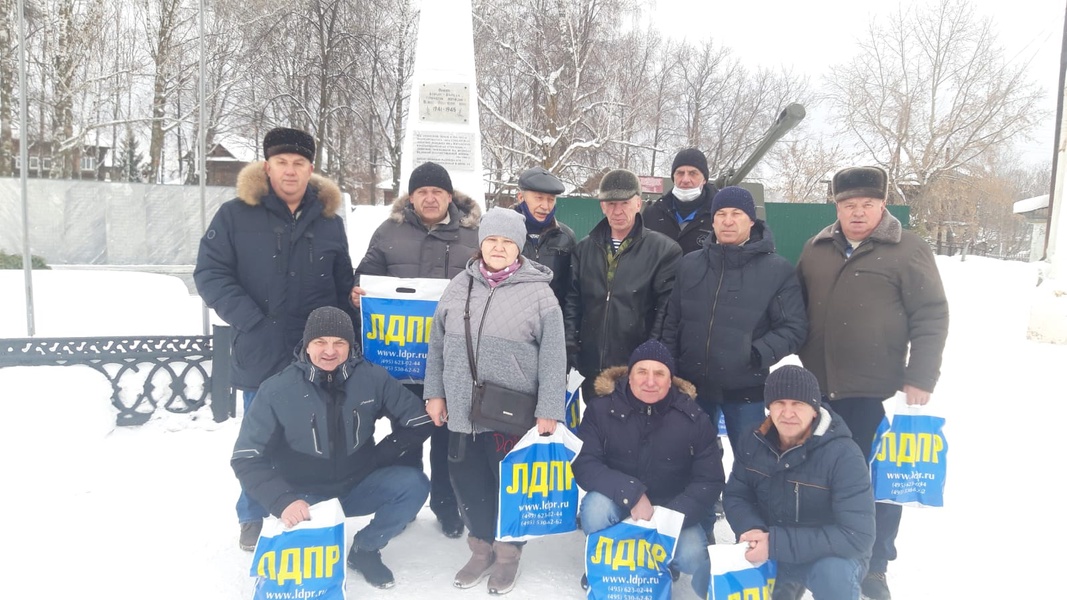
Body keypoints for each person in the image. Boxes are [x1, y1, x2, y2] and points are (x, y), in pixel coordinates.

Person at [193, 127, 357, 550]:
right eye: (282, 162)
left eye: (299, 163)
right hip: (261, 349)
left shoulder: (329, 223)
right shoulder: (235, 216)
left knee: (317, 437)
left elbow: (342, 286)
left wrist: (350, 318)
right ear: (267, 167)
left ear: (311, 169)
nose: (290, 170)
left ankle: (311, 509)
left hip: (316, 356)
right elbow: (210, 274)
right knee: (259, 438)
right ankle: (252, 515)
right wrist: (251, 320)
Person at [796, 166, 949, 600]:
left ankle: (876, 565)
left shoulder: (907, 250)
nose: (857, 212)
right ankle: (819, 553)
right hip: (819, 392)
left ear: (882, 205)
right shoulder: (816, 248)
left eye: (866, 204)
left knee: (878, 482)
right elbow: (797, 307)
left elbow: (931, 315)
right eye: (848, 204)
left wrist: (920, 375)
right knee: (817, 479)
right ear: (837, 206)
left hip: (874, 392)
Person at [231, 306, 433, 590]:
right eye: (320, 342)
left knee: (413, 484)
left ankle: (365, 549)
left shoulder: (372, 378)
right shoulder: (277, 389)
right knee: (302, 578)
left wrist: (379, 457)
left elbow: (419, 420)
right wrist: (282, 501)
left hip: (357, 485)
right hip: (304, 498)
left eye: (339, 343)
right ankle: (302, 540)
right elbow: (246, 457)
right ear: (306, 344)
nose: (330, 351)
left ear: (351, 346)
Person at [423, 207, 567, 595]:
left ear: (519, 247)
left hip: (511, 415)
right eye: (492, 240)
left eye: (507, 242)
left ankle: (507, 556)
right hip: (461, 411)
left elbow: (555, 356)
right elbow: (436, 344)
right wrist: (434, 392)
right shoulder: (459, 286)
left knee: (509, 486)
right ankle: (480, 548)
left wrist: (550, 408)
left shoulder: (539, 293)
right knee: (468, 483)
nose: (498, 248)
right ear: (481, 243)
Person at [352, 161, 481, 539]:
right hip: (401, 356)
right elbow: (366, 274)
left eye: (436, 192)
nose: (429, 198)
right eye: (421, 191)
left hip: (452, 358)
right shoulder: (389, 231)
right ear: (411, 196)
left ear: (448, 196)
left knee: (448, 435)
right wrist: (358, 291)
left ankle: (446, 504)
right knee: (407, 431)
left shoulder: (472, 234)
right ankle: (406, 499)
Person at [572, 339, 724, 596]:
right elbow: (585, 462)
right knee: (595, 509)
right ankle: (604, 561)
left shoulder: (693, 417)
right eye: (642, 372)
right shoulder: (601, 409)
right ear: (629, 376)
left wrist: (668, 518)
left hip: (671, 508)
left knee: (692, 556)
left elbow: (709, 480)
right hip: (618, 500)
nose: (650, 381)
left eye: (659, 373)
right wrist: (631, 493)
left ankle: (660, 560)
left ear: (670, 379)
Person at [662, 186, 808, 452]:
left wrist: (753, 354)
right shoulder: (691, 264)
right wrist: (672, 366)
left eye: (736, 213)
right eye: (721, 214)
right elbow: (672, 321)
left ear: (751, 220)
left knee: (752, 462)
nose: (728, 221)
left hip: (746, 391)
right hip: (692, 387)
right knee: (693, 459)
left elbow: (793, 328)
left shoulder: (776, 269)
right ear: (713, 220)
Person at [723, 365, 875, 600]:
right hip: (770, 545)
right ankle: (785, 586)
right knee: (707, 576)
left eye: (798, 404)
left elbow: (857, 535)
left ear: (814, 410)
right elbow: (737, 495)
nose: (788, 413)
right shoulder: (752, 440)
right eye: (779, 403)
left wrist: (775, 543)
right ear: (769, 408)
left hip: (825, 555)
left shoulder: (844, 454)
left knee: (834, 578)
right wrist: (751, 528)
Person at [563, 168, 682, 401]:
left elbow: (664, 312)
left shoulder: (663, 251)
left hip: (635, 368)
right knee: (596, 431)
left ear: (638, 203)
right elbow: (573, 302)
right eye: (611, 204)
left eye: (625, 203)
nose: (618, 211)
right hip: (591, 365)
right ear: (602, 206)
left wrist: (649, 356)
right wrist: (571, 347)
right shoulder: (584, 249)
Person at [512, 166, 577, 304]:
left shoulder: (566, 237)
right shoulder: (503, 234)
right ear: (520, 197)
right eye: (539, 198)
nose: (546, 206)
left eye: (551, 199)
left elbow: (572, 292)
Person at [643, 148, 719, 255]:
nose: (685, 180)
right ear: (673, 177)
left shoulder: (719, 215)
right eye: (680, 173)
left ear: (704, 179)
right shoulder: (653, 213)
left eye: (693, 173)